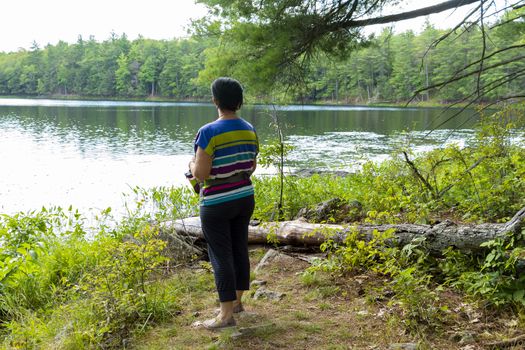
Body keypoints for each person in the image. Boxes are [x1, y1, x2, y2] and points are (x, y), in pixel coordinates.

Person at [189, 77, 258, 329]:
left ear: (215, 100)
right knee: (239, 248)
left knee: (220, 255)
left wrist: (190, 166)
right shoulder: (249, 128)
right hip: (244, 197)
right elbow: (252, 165)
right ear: (238, 101)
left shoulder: (208, 132)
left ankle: (225, 316)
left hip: (216, 202)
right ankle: (237, 302)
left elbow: (201, 174)